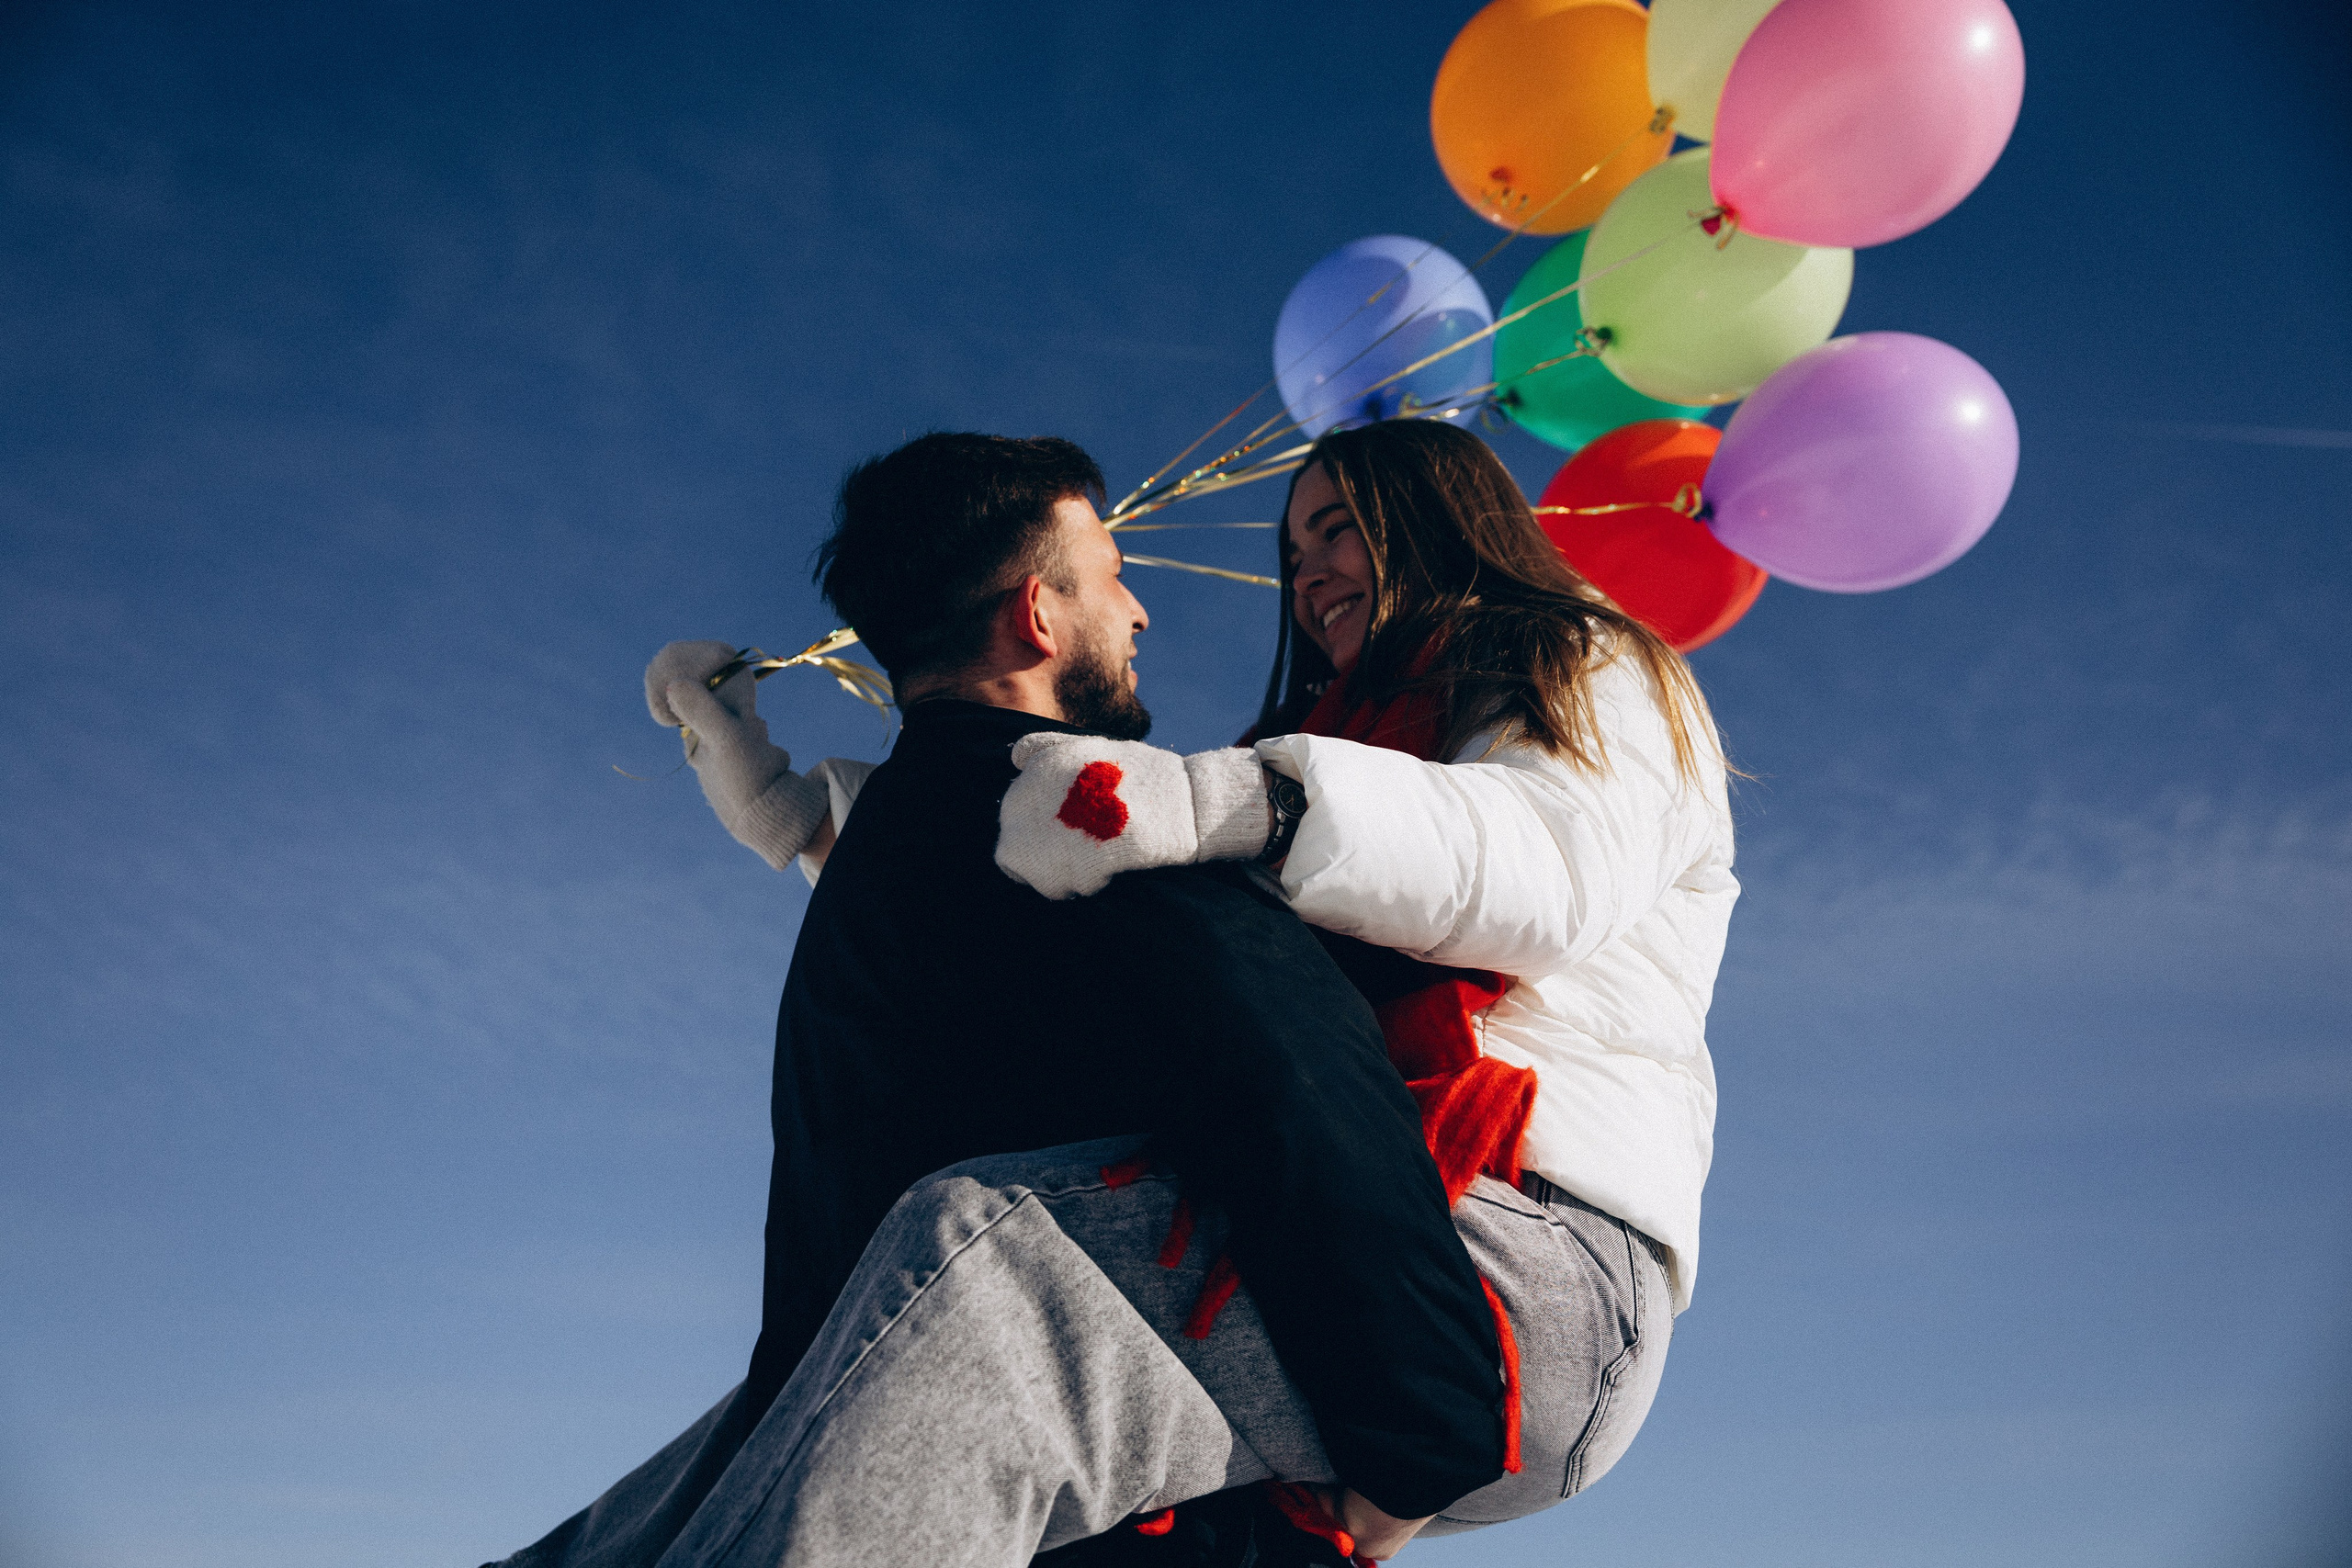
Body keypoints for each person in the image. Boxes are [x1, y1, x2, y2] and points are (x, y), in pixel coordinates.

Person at [484, 434, 1512, 1568]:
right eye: (1114, 576)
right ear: (1037, 615)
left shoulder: (888, 856)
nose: (1138, 615)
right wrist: (1429, 1434)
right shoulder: (1102, 832)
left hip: (862, 1448)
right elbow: (1309, 1096)